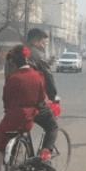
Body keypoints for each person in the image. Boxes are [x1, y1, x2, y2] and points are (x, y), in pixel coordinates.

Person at [0, 45, 54, 171]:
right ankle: (43, 158)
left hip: (12, 117)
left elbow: (6, 99)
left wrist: (9, 111)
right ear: (27, 59)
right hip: (28, 117)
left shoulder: (12, 78)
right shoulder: (37, 76)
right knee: (49, 127)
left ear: (14, 63)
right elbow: (41, 98)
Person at [23, 28, 58, 160]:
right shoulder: (37, 55)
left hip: (12, 103)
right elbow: (48, 78)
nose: (44, 46)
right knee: (52, 126)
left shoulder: (15, 53)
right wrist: (53, 97)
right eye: (43, 43)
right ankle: (44, 158)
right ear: (36, 42)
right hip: (33, 103)